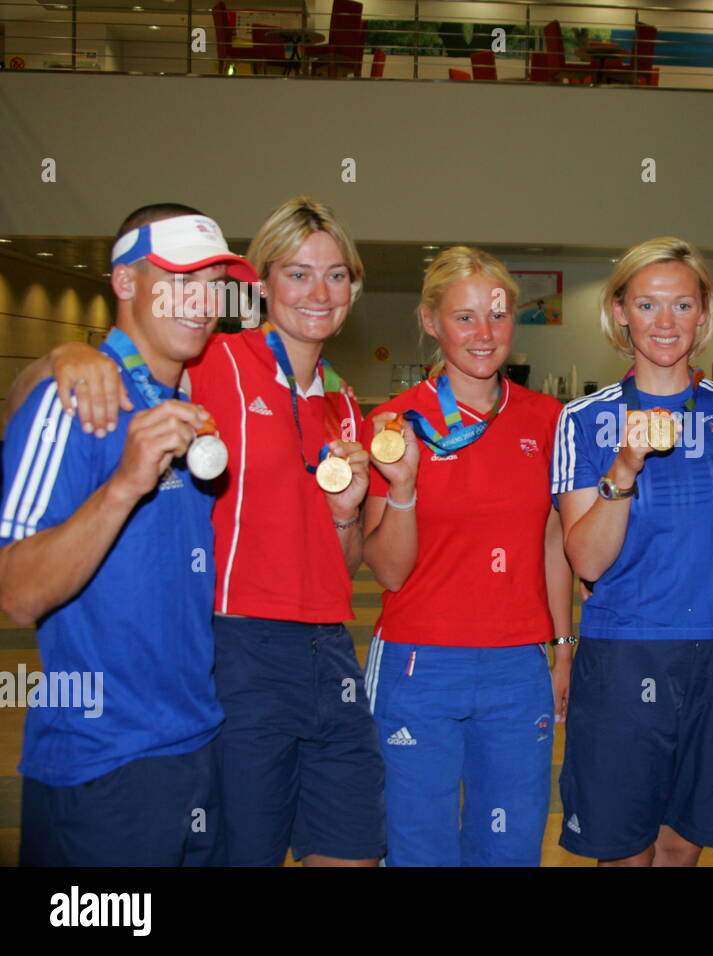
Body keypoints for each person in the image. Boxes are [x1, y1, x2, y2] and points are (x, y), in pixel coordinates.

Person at [20, 196, 388, 867]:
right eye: (299, 273)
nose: (319, 292)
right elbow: (106, 374)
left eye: (336, 275)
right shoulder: (215, 361)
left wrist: (346, 517)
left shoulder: (344, 405)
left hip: (330, 651)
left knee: (355, 847)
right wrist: (70, 355)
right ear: (262, 286)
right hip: (239, 650)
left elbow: (348, 563)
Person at [0, 204, 255, 864]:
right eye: (178, 279)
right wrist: (123, 484)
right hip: (101, 765)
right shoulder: (76, 403)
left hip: (198, 746)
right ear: (124, 282)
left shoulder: (193, 409)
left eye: (212, 283)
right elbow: (16, 592)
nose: (201, 302)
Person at [551, 236, 713, 866]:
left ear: (704, 313)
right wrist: (624, 467)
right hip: (625, 655)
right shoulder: (584, 420)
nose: (666, 323)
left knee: (682, 844)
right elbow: (586, 561)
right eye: (647, 305)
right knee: (625, 848)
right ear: (620, 312)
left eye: (682, 305)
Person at [359, 247, 573, 866]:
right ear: (430, 321)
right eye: (465, 317)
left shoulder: (548, 419)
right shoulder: (397, 423)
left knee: (508, 848)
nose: (485, 334)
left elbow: (553, 541)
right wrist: (402, 489)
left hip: (518, 666)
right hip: (417, 664)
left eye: (499, 315)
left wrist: (562, 650)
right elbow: (389, 570)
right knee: (417, 849)